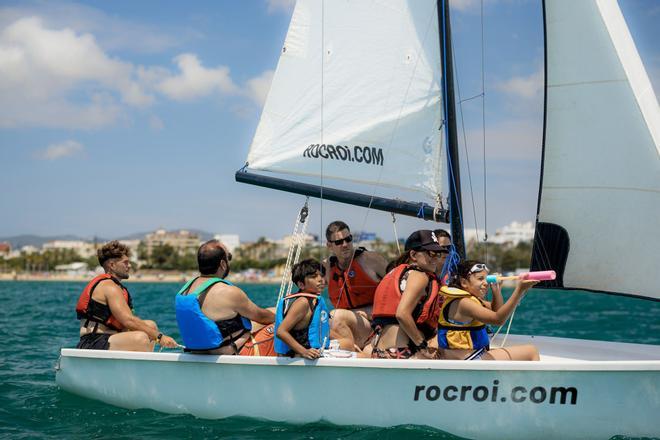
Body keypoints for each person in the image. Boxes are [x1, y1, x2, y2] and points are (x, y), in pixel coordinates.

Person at [175, 240, 275, 355]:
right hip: (230, 352)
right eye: (229, 257)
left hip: (199, 352)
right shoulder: (229, 292)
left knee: (271, 312)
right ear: (223, 264)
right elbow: (262, 317)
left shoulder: (184, 291)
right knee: (281, 324)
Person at [75, 241, 178, 351]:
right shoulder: (109, 287)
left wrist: (154, 334)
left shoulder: (116, 286)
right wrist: (159, 337)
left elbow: (129, 323)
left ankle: (141, 365)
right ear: (112, 265)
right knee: (141, 338)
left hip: (110, 338)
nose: (129, 266)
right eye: (125, 262)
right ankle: (144, 366)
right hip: (92, 342)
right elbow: (128, 321)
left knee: (150, 325)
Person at [438, 260, 540, 361]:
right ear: (464, 282)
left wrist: (496, 290)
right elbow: (498, 319)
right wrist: (519, 290)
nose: (486, 283)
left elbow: (496, 310)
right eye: (480, 279)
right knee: (531, 351)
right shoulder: (464, 303)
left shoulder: (470, 300)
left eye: (486, 279)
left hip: (466, 356)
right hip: (467, 360)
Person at [368, 230, 444, 359]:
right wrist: (423, 346)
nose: (435, 258)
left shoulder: (398, 274)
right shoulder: (420, 276)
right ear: (413, 254)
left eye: (438, 254)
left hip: (381, 353)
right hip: (402, 353)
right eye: (431, 254)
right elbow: (402, 314)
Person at [324, 221, 388, 350]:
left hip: (377, 324)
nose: (345, 245)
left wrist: (370, 311)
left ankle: (352, 354)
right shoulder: (326, 268)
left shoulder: (371, 260)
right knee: (328, 318)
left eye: (348, 239)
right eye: (339, 242)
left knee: (336, 316)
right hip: (345, 325)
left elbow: (398, 289)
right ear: (329, 246)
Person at [274, 259, 330, 359]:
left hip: (315, 352)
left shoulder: (315, 300)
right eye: (313, 277)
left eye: (321, 275)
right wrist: (304, 352)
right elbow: (281, 331)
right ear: (301, 284)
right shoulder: (302, 302)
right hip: (299, 356)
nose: (320, 279)